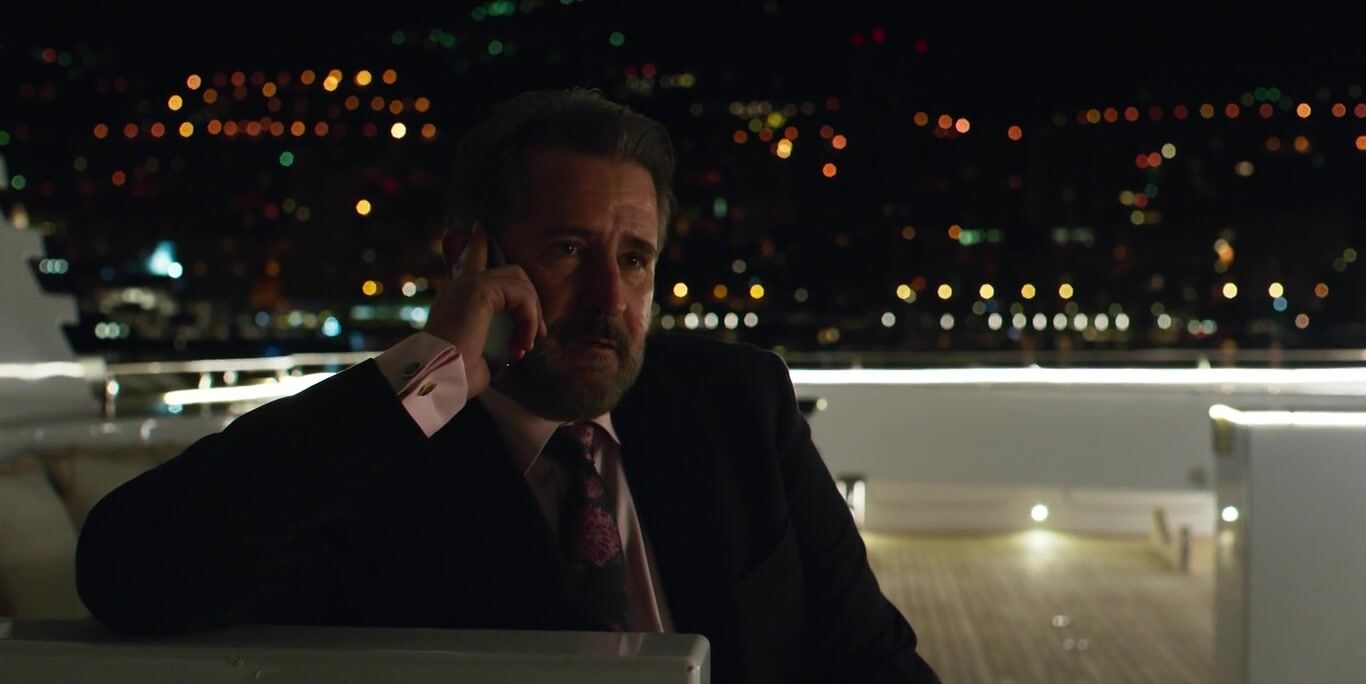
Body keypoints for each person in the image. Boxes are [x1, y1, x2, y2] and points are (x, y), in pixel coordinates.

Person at [75, 88, 940, 683]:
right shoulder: (380, 451)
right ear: (470, 258)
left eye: (633, 259)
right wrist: (428, 376)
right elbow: (134, 575)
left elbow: (872, 658)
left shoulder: (738, 403)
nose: (608, 299)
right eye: (568, 250)